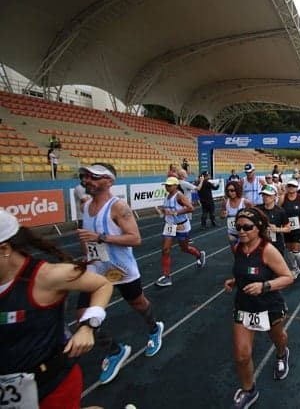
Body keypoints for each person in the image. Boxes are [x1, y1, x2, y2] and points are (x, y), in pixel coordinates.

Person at [0, 209, 113, 409]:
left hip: (52, 384)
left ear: (4, 249)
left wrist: (88, 326)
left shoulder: (46, 276)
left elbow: (102, 285)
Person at [76, 163, 164, 384]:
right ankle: (115, 351)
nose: (87, 180)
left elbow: (135, 239)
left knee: (138, 304)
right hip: (96, 270)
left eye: (93, 177)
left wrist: (102, 237)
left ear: (109, 181)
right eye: (85, 176)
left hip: (120, 270)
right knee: (83, 315)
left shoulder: (118, 207)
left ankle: (155, 327)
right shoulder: (85, 205)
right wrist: (86, 258)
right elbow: (88, 238)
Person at [223, 208, 294, 409]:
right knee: (242, 355)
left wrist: (264, 286)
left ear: (259, 227)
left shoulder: (267, 250)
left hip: (269, 307)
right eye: (238, 227)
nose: (242, 231)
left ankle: (282, 354)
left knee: (278, 339)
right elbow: (245, 272)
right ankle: (249, 390)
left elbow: (288, 277)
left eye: (247, 227)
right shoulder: (238, 247)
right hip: (244, 306)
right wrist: (235, 281)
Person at [155, 176, 206, 287]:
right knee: (165, 249)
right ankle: (167, 276)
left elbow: (191, 208)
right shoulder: (167, 196)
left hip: (181, 225)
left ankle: (199, 255)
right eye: (166, 185)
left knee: (184, 248)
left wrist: (176, 213)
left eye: (169, 185)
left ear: (176, 186)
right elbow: (168, 210)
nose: (167, 187)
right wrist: (162, 210)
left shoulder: (179, 196)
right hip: (170, 225)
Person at [279, 180, 300, 278]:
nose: (291, 187)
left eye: (293, 186)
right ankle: (294, 268)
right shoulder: (282, 198)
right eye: (289, 186)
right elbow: (277, 209)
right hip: (287, 228)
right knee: (289, 251)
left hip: (299, 227)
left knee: (296, 251)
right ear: (287, 187)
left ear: (297, 188)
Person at [255, 184, 290, 258]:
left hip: (276, 243)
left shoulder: (280, 211)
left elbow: (288, 228)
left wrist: (277, 229)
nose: (265, 197)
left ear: (275, 196)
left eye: (268, 195)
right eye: (263, 195)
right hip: (260, 243)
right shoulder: (257, 209)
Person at [220, 180, 253, 247]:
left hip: (244, 232)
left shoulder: (245, 202)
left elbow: (254, 214)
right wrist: (223, 215)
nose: (230, 193)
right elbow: (221, 215)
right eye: (228, 191)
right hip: (232, 232)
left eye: (232, 190)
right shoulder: (226, 202)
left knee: (245, 251)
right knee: (235, 252)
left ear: (237, 190)